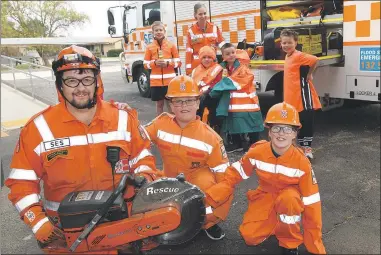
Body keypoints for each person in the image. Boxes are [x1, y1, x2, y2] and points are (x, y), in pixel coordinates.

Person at [4, 45, 161, 254]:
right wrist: (38, 222)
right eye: (71, 80)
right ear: (60, 85)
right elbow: (21, 184)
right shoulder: (38, 128)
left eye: (87, 79)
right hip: (65, 237)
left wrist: (144, 181)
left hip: (121, 231)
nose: (80, 87)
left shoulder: (124, 118)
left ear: (97, 81)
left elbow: (143, 158)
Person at [204, 102, 326, 255]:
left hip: (289, 199)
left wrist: (315, 244)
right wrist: (212, 196)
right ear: (269, 131)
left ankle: (289, 242)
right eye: (276, 128)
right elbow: (234, 174)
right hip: (265, 196)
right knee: (250, 237)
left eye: (288, 129)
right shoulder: (258, 152)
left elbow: (312, 203)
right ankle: (275, 223)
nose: (281, 133)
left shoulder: (302, 163)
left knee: (289, 200)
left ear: (295, 134)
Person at [144, 75, 233, 241]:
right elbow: (137, 136)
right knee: (144, 180)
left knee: (210, 187)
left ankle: (208, 224)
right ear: (170, 105)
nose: (184, 106)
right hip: (169, 178)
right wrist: (125, 113)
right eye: (178, 101)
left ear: (198, 103)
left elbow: (225, 177)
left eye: (189, 100)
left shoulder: (211, 138)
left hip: (197, 183)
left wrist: (215, 202)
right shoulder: (160, 123)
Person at [210, 43, 264, 153]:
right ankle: (237, 144)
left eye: (233, 52)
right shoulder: (224, 67)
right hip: (234, 104)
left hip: (248, 102)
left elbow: (236, 81)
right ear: (223, 56)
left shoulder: (242, 67)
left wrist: (216, 88)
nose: (231, 55)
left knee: (252, 124)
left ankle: (254, 145)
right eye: (228, 54)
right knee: (234, 123)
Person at [280, 28, 322, 160]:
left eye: (289, 43)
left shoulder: (299, 55)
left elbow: (315, 60)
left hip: (303, 96)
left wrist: (310, 74)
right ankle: (296, 148)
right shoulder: (287, 56)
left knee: (306, 121)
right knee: (294, 123)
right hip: (291, 97)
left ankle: (307, 149)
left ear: (296, 43)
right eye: (284, 43)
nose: (286, 45)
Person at [144, 21, 181, 116]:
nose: (158, 32)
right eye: (156, 30)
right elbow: (145, 64)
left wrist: (168, 63)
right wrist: (154, 63)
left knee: (171, 105)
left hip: (170, 82)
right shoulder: (149, 47)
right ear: (153, 33)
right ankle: (160, 124)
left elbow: (178, 63)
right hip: (156, 82)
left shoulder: (171, 45)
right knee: (159, 105)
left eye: (160, 30)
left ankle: (173, 124)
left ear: (164, 31)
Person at [185, 3, 225, 75]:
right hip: (197, 67)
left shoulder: (214, 28)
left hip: (212, 66)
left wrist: (227, 62)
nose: (203, 16)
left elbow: (223, 47)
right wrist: (188, 70)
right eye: (200, 14)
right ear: (195, 15)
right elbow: (188, 52)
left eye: (205, 13)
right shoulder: (191, 31)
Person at [191, 45, 223, 132]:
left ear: (213, 58)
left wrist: (205, 90)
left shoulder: (218, 69)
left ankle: (215, 129)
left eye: (209, 57)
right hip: (198, 97)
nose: (207, 59)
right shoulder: (195, 70)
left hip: (213, 96)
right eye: (204, 57)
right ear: (200, 59)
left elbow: (218, 84)